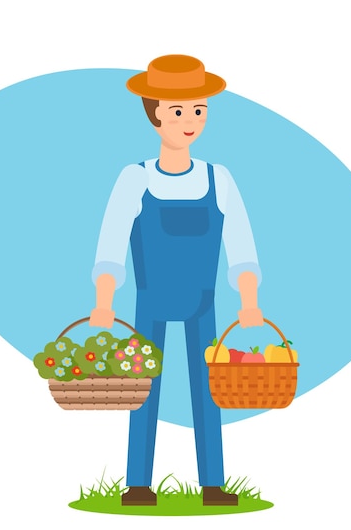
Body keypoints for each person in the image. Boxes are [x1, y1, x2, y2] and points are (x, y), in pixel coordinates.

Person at [89, 55, 264, 506]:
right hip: (149, 302)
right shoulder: (135, 178)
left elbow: (241, 243)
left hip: (204, 303)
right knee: (143, 387)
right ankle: (138, 484)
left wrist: (248, 298)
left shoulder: (218, 178)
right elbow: (110, 242)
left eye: (199, 110)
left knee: (209, 391)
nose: (191, 121)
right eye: (179, 110)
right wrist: (104, 299)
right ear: (155, 115)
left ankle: (213, 484)